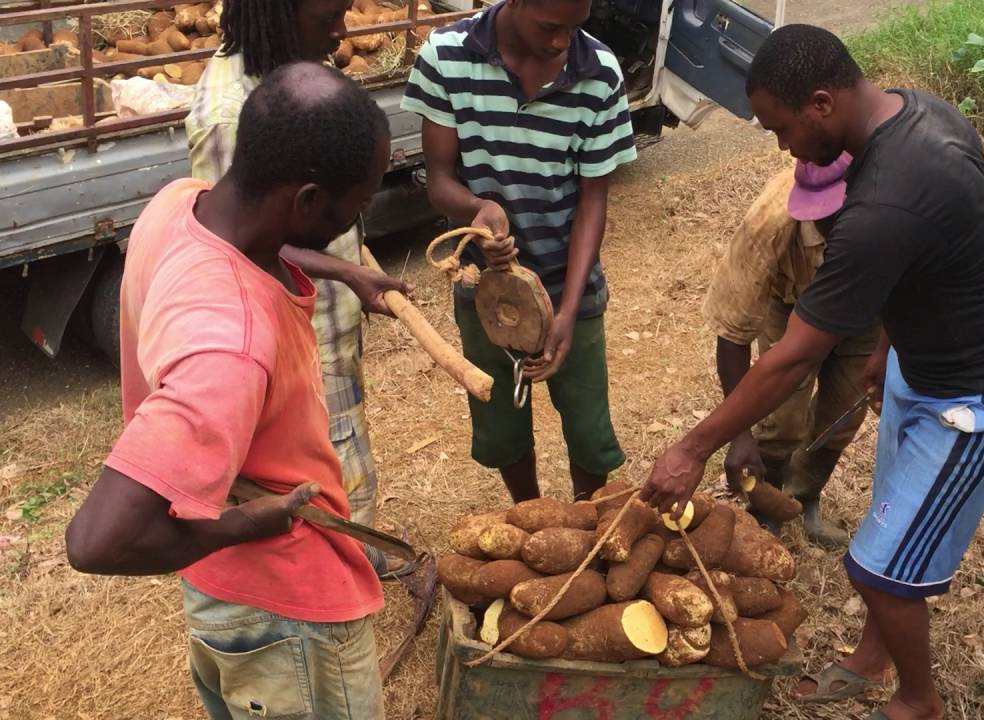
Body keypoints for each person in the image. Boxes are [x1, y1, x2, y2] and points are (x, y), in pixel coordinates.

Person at [641, 25, 984, 720]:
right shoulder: (920, 112)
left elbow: (793, 358)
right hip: (920, 372)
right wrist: (889, 343)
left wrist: (691, 447)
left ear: (822, 103)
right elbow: (938, 249)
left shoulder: (878, 208)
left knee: (879, 570)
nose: (782, 148)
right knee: (893, 539)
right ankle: (873, 655)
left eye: (781, 129)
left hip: (982, 396)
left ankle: (918, 703)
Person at [65, 63, 390, 720]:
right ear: (303, 202)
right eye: (355, 205)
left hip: (220, 595)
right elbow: (94, 540)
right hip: (287, 615)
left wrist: (342, 270)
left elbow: (257, 252)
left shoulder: (182, 203)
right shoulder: (230, 347)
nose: (358, 216)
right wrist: (245, 522)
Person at [186, 0, 411, 578]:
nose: (341, 34)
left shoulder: (299, 68)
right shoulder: (227, 112)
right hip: (287, 339)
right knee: (311, 474)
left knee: (343, 451)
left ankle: (354, 558)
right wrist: (344, 271)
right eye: (329, 17)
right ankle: (332, 582)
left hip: (327, 329)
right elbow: (234, 241)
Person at [401, 0, 637, 502]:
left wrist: (569, 311)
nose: (561, 42)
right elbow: (439, 180)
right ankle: (528, 514)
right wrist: (475, 207)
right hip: (486, 293)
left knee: (591, 434)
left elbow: (594, 200)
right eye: (551, 26)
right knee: (502, 429)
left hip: (568, 284)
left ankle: (585, 522)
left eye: (575, 26)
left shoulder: (598, 72)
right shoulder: (446, 57)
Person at [704, 152, 880, 546]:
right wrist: (739, 432)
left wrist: (886, 349)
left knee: (842, 415)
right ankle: (767, 505)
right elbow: (732, 333)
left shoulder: (890, 212)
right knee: (781, 412)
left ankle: (804, 497)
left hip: (866, 315)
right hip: (791, 304)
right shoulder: (768, 224)